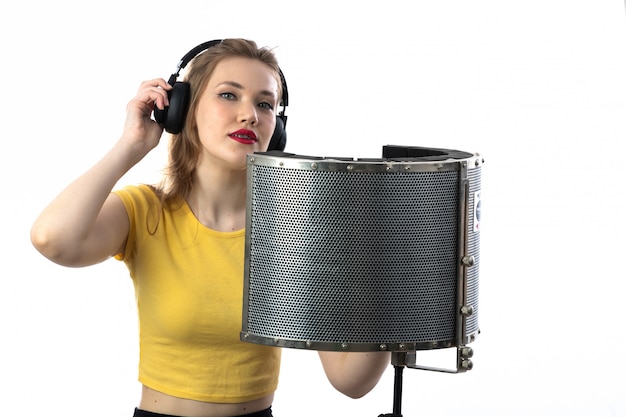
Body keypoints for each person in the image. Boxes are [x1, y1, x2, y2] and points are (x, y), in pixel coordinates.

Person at [30, 38, 390, 417]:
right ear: (184, 110)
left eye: (264, 104)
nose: (250, 114)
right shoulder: (145, 211)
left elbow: (351, 381)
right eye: (229, 95)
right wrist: (131, 145)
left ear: (277, 129)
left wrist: (389, 274)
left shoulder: (296, 233)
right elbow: (52, 239)